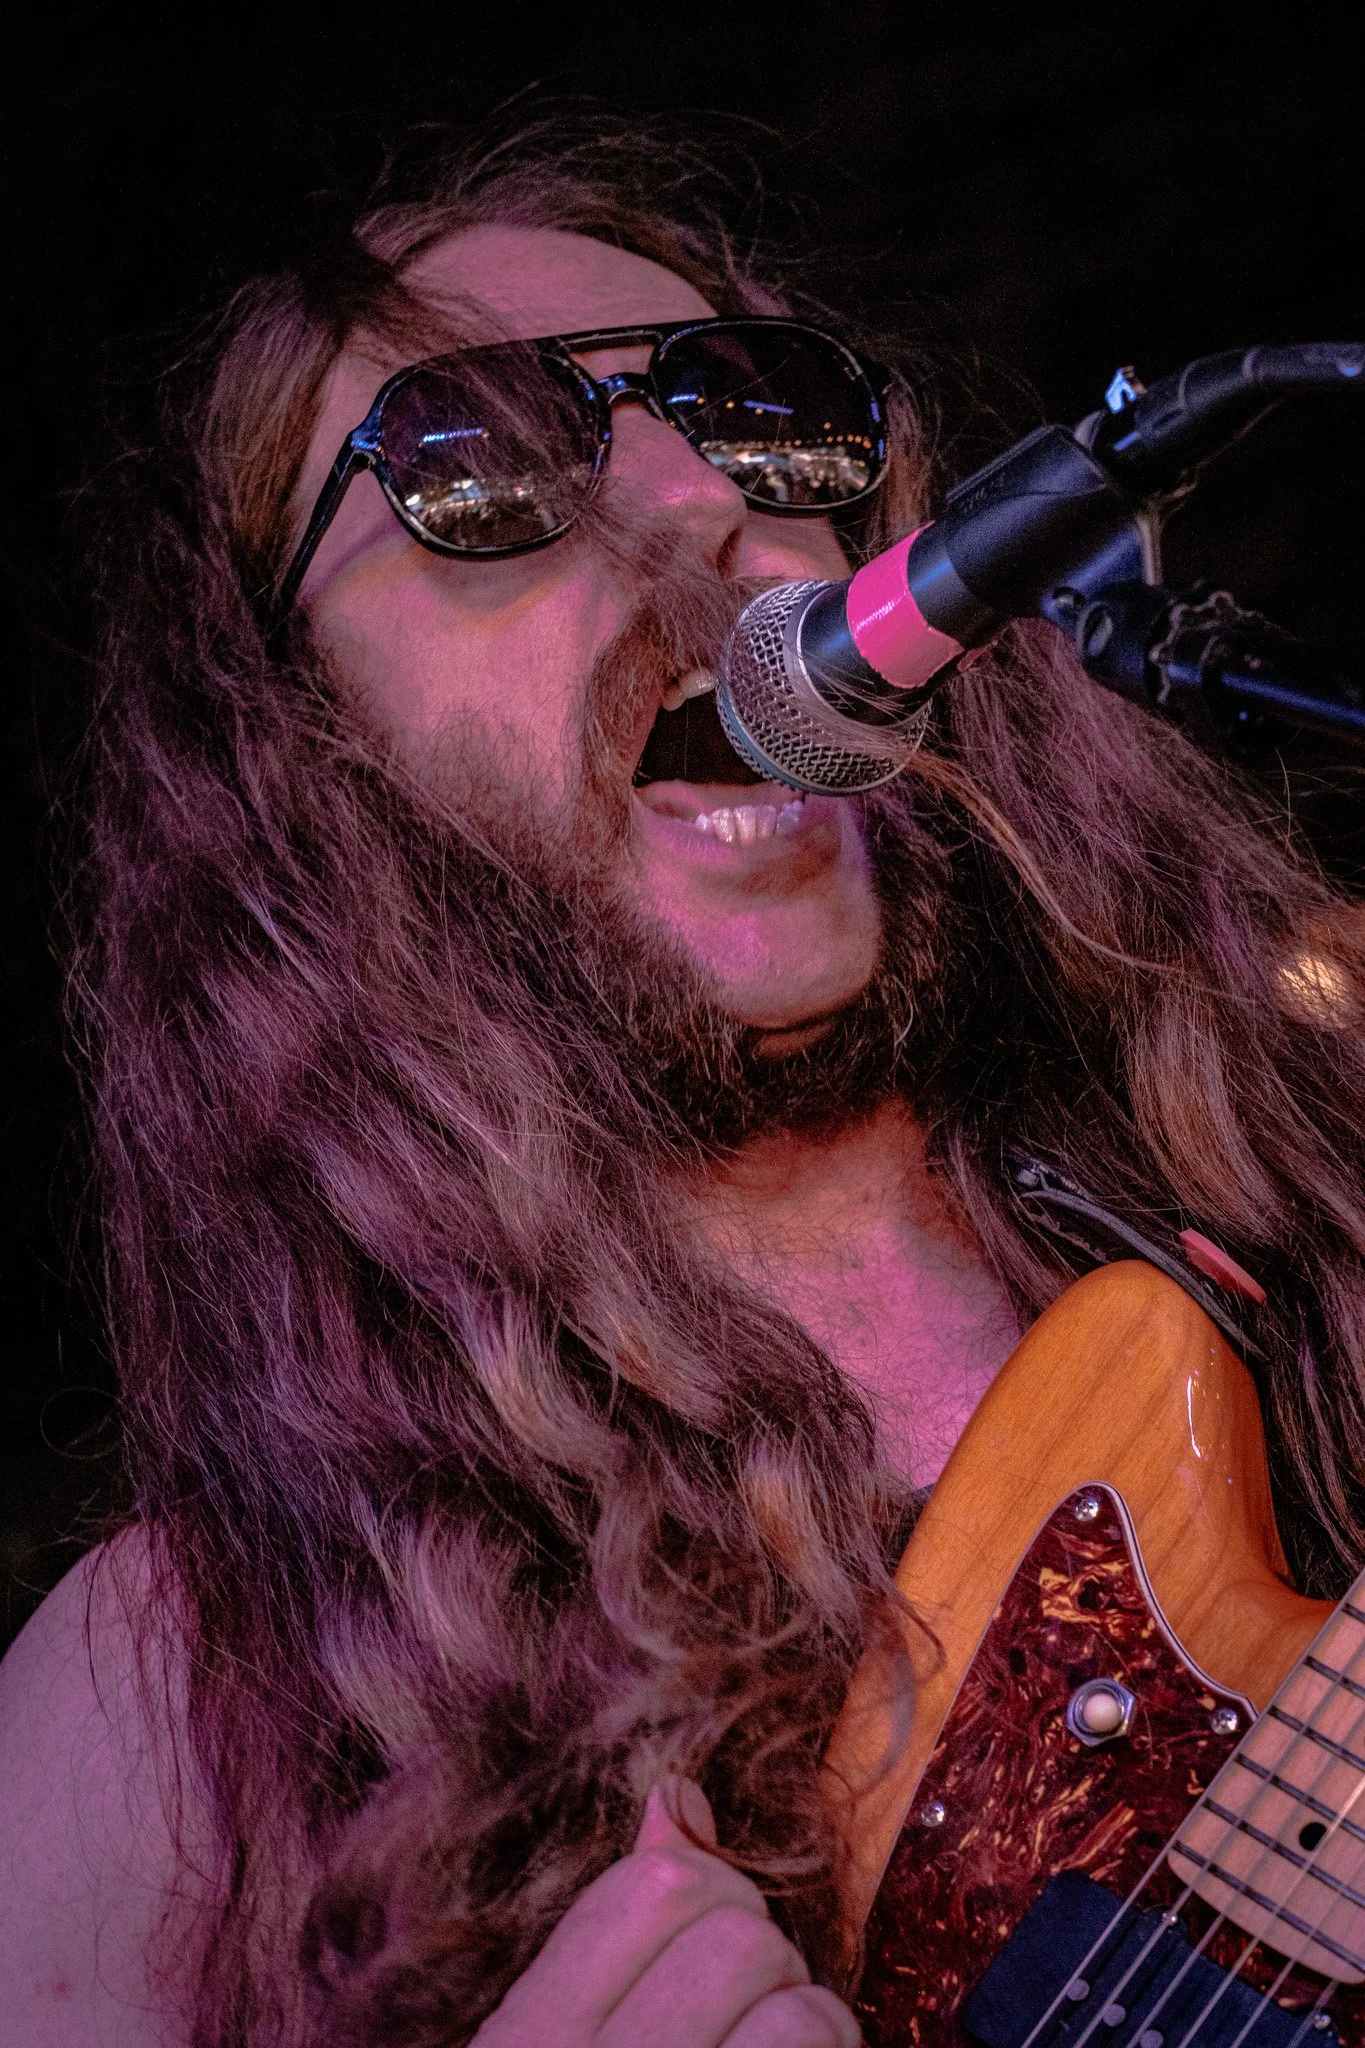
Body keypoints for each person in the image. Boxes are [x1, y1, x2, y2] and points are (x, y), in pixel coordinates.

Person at [2, 123, 1364, 2048]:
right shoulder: (175, 1706)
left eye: (767, 421)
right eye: (477, 464)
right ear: (290, 752)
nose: (696, 503)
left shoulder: (1322, 1219)